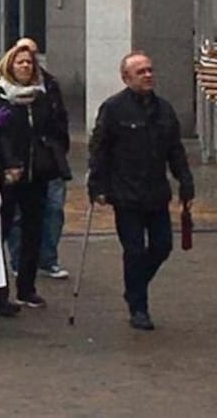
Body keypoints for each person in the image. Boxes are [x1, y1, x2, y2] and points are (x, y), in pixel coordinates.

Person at [88, 52, 192, 331]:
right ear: (126, 78)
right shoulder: (113, 108)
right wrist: (96, 184)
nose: (148, 75)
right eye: (141, 72)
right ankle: (138, 307)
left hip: (156, 193)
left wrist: (185, 180)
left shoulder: (164, 109)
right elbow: (100, 149)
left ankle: (134, 287)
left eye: (150, 70)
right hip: (126, 194)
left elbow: (175, 149)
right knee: (134, 251)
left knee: (162, 246)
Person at [0, 42, 70, 311]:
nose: (25, 66)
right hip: (7, 174)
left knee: (34, 230)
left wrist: (53, 151)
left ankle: (27, 287)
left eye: (29, 63)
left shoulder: (42, 96)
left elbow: (56, 127)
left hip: (38, 171)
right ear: (9, 65)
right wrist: (9, 162)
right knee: (3, 229)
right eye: (20, 62)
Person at [7, 37, 72, 280]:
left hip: (47, 161)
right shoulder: (0, 92)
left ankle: (48, 259)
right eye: (21, 58)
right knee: (18, 217)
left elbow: (58, 119)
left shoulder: (49, 86)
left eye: (31, 58)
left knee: (53, 211)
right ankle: (18, 261)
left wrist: (58, 147)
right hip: (19, 164)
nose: (27, 63)